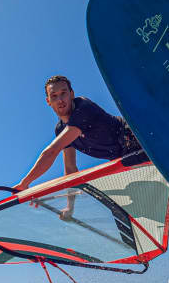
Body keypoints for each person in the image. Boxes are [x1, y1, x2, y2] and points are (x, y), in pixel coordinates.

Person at [13, 76, 141, 217]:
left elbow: (52, 151)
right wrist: (70, 207)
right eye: (54, 96)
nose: (60, 100)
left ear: (72, 94)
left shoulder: (83, 107)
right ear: (48, 101)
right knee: (124, 210)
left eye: (63, 93)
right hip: (122, 159)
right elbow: (70, 169)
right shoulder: (61, 129)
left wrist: (24, 183)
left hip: (135, 140)